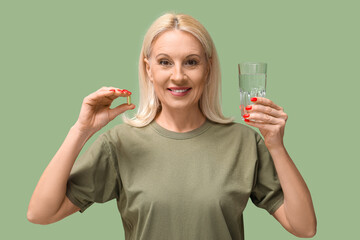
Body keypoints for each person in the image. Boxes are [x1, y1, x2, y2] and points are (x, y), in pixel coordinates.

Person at [27, 12, 317, 239]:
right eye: (165, 62)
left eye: (191, 62)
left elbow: (304, 227)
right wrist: (81, 131)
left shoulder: (244, 143)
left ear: (208, 68)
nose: (178, 76)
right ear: (148, 69)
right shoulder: (119, 143)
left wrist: (276, 146)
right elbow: (41, 213)